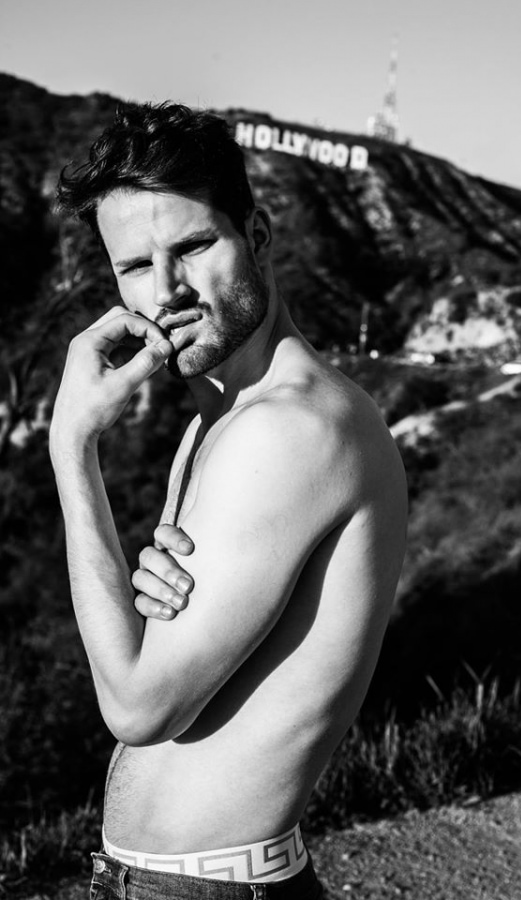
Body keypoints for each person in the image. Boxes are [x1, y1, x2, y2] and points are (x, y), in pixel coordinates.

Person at [50, 102, 407, 900]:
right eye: (135, 266)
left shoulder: (288, 429)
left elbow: (140, 708)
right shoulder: (222, 420)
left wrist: (71, 448)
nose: (166, 289)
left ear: (259, 233)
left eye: (193, 247)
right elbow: (163, 657)